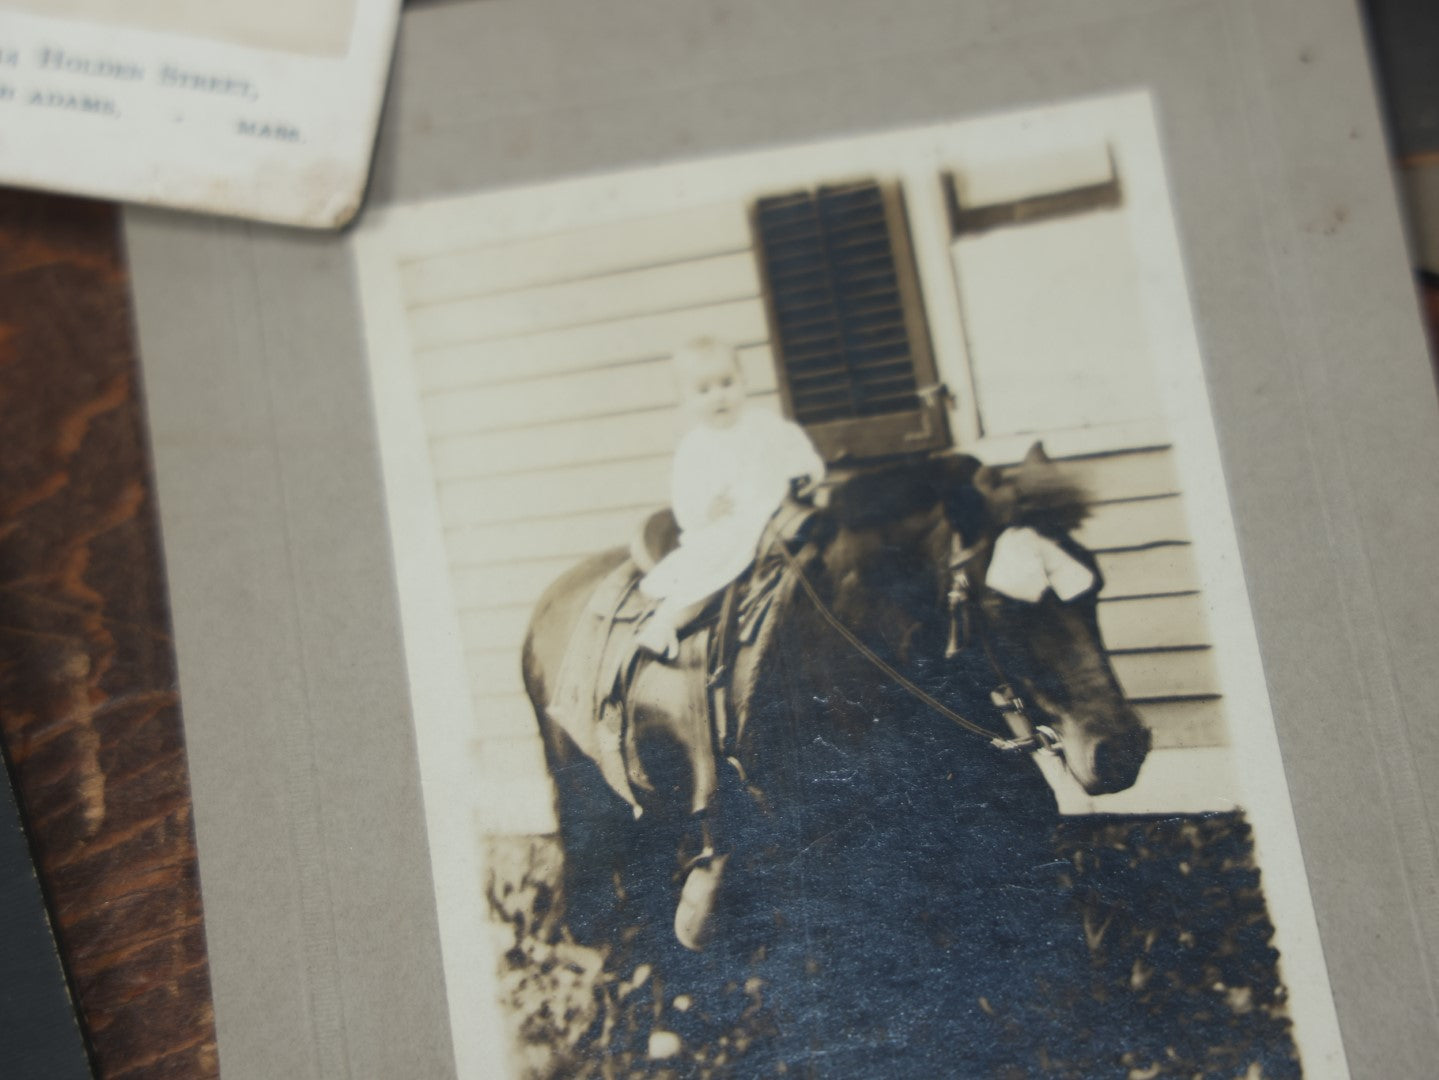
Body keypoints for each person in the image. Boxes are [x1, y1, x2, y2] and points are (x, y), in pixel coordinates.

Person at [635, 337, 825, 660]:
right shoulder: (695, 447)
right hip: (730, 524)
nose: (719, 396)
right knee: (714, 566)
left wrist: (807, 474)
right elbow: (686, 500)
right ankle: (667, 620)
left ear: (743, 382)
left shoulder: (764, 425)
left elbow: (797, 452)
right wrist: (704, 510)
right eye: (704, 390)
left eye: (727, 383)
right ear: (685, 400)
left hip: (776, 515)